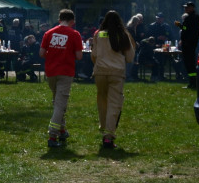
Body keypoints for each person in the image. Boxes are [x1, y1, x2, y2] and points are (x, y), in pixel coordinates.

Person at [90, 10, 135, 149]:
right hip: (116, 73)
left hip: (100, 73)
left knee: (102, 102)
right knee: (114, 104)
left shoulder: (99, 34)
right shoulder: (123, 34)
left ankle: (103, 127)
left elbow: (94, 54)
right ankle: (108, 136)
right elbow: (130, 57)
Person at [40, 9, 84, 148]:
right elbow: (79, 56)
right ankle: (52, 136)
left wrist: (53, 54)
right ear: (72, 21)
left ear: (59, 19)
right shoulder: (74, 34)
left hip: (51, 72)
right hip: (65, 72)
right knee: (60, 104)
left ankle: (62, 130)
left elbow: (41, 53)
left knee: (58, 102)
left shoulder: (49, 33)